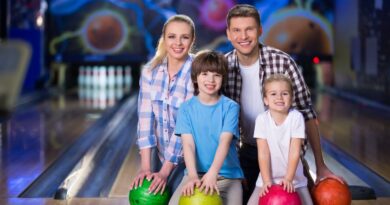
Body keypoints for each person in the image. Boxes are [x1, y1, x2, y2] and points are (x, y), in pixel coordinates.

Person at [224, 4, 343, 203]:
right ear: (228, 34)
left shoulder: (283, 62)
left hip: (289, 157)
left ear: (260, 30)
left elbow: (307, 113)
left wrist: (320, 165)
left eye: (249, 29)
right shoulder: (224, 67)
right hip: (247, 153)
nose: (243, 36)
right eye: (236, 30)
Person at [129, 14, 196, 195]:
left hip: (191, 158)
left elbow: (185, 126)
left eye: (185, 37)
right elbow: (145, 120)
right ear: (164, 39)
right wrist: (146, 167)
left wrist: (165, 172)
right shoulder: (150, 71)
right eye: (172, 36)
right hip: (160, 154)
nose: (178, 43)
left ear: (192, 41)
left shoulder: (197, 72)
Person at [169, 50, 244, 205]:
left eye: (216, 75)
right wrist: (192, 176)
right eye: (205, 74)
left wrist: (212, 173)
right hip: (194, 174)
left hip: (227, 176)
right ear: (195, 77)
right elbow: (188, 145)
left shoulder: (231, 107)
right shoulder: (186, 108)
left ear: (223, 79)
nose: (210, 80)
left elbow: (225, 142)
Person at [247, 74, 312, 205]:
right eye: (273, 94)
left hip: (294, 180)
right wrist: (266, 181)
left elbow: (295, 152)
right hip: (267, 179)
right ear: (265, 99)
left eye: (285, 93)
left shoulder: (296, 118)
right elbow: (263, 153)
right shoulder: (262, 119)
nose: (279, 98)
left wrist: (288, 179)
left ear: (292, 98)